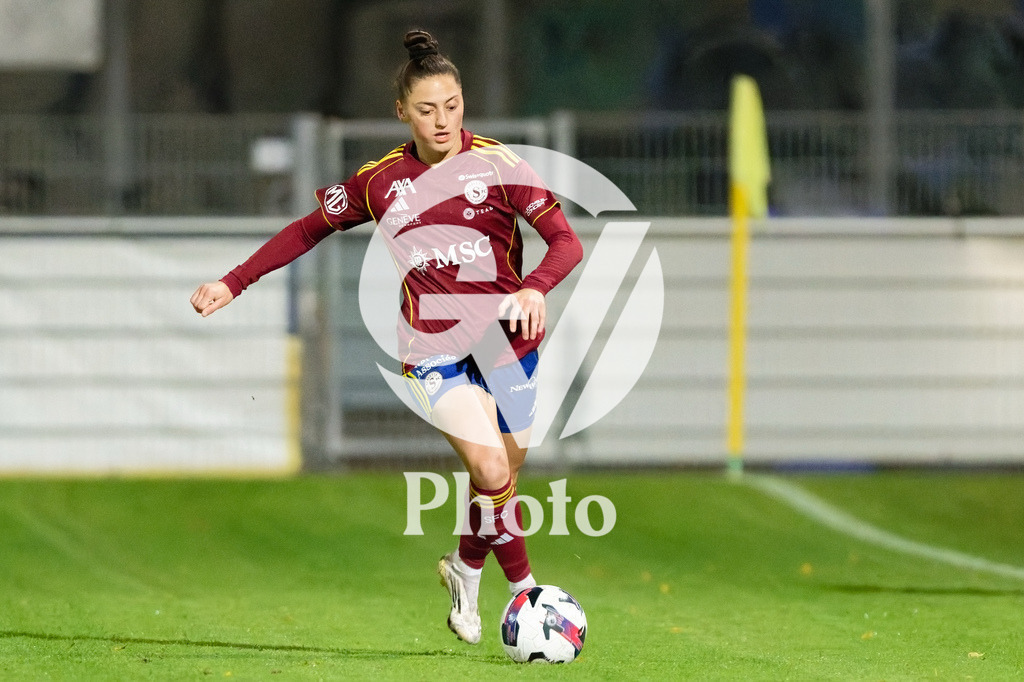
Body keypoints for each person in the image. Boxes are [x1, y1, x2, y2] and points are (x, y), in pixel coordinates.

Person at [190, 29, 583, 645]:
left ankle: (465, 570)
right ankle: (527, 597)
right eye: (427, 109)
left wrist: (534, 287)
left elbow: (567, 241)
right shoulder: (381, 182)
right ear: (402, 112)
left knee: (499, 473)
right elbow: (305, 229)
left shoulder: (503, 166)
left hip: (510, 344)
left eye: (452, 105)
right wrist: (234, 281)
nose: (442, 120)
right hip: (434, 347)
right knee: (486, 464)